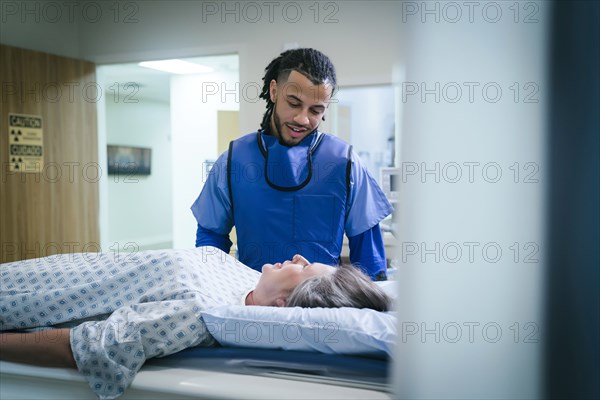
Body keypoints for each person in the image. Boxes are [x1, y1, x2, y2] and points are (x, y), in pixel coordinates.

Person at [0, 247, 390, 399]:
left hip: (17, 297)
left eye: (305, 269)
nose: (299, 256)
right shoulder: (242, 277)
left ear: (284, 304)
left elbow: (85, 345)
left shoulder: (202, 315)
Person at [191, 48, 393, 280]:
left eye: (316, 110)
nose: (302, 119)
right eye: (294, 103)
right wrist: (215, 291)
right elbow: (210, 240)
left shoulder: (345, 163)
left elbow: (370, 260)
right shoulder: (233, 162)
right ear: (274, 90)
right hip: (253, 304)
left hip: (323, 306)